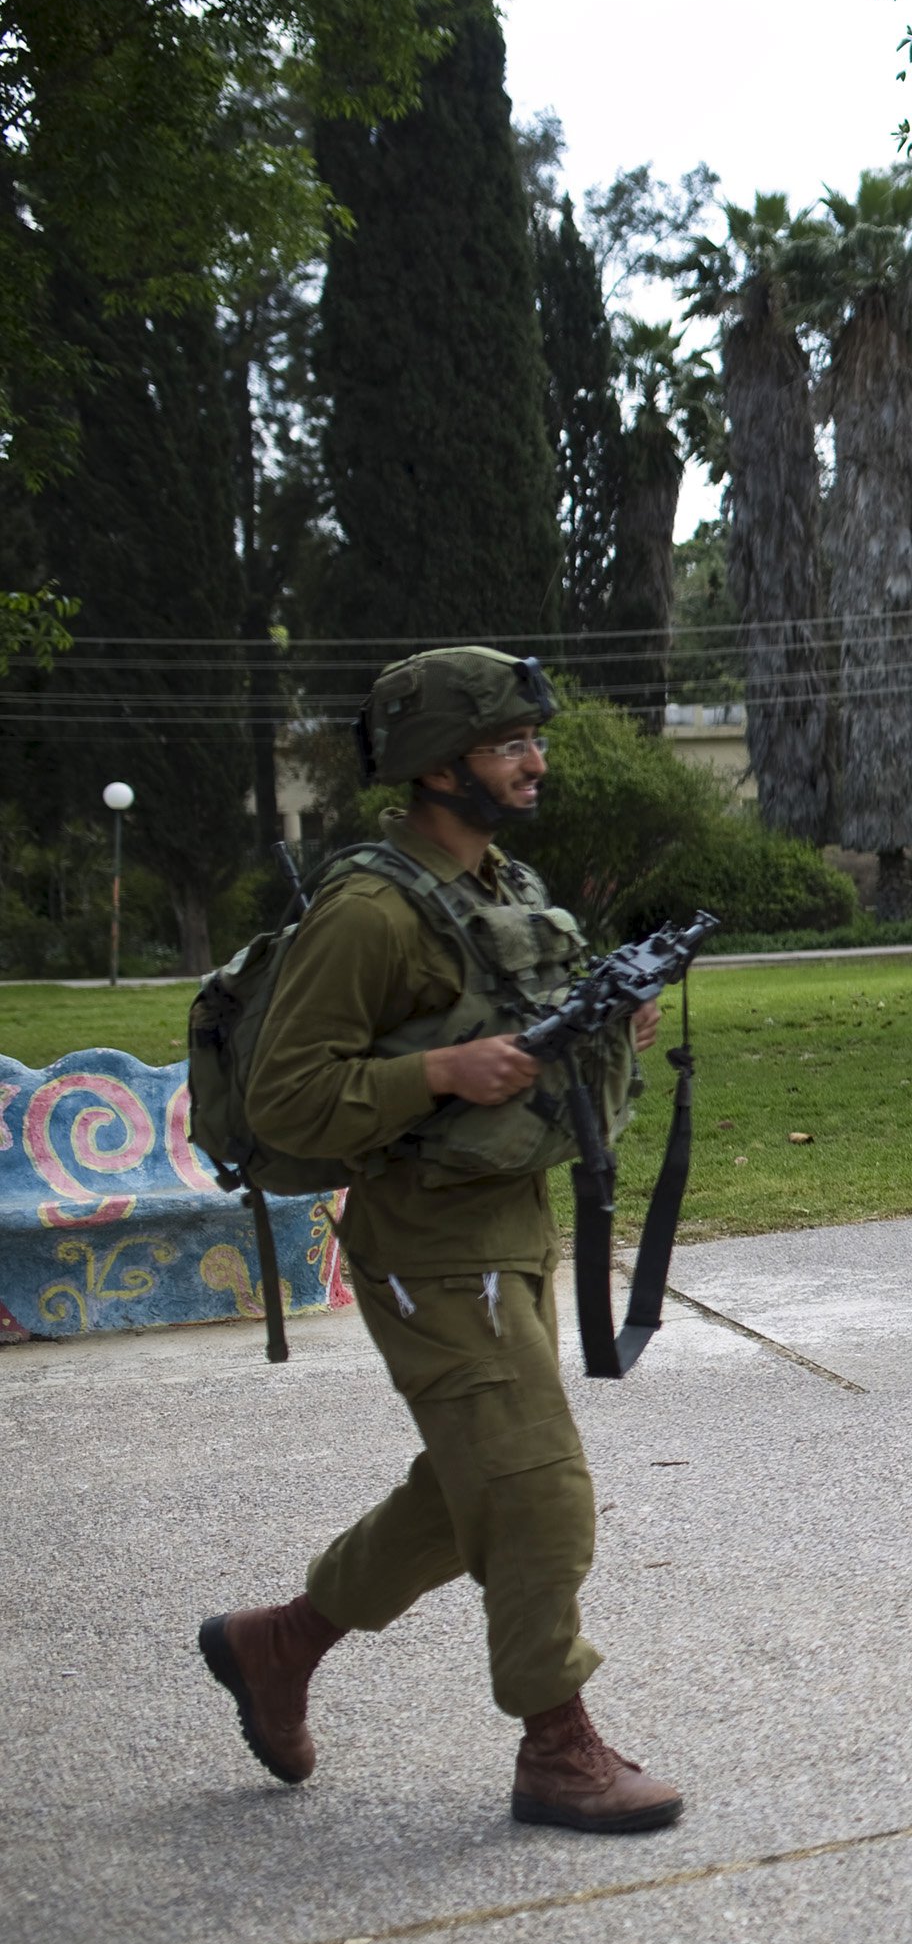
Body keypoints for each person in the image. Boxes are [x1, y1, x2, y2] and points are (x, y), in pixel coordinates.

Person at [201, 647, 683, 1833]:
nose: (536, 759)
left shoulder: (494, 880)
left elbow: (513, 1031)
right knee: (542, 1489)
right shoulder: (368, 910)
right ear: (438, 762)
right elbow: (286, 1100)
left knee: (472, 1481)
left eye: (533, 738)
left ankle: (279, 1643)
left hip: (507, 1219)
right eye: (510, 740)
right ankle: (555, 1744)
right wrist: (439, 1070)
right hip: (425, 1241)